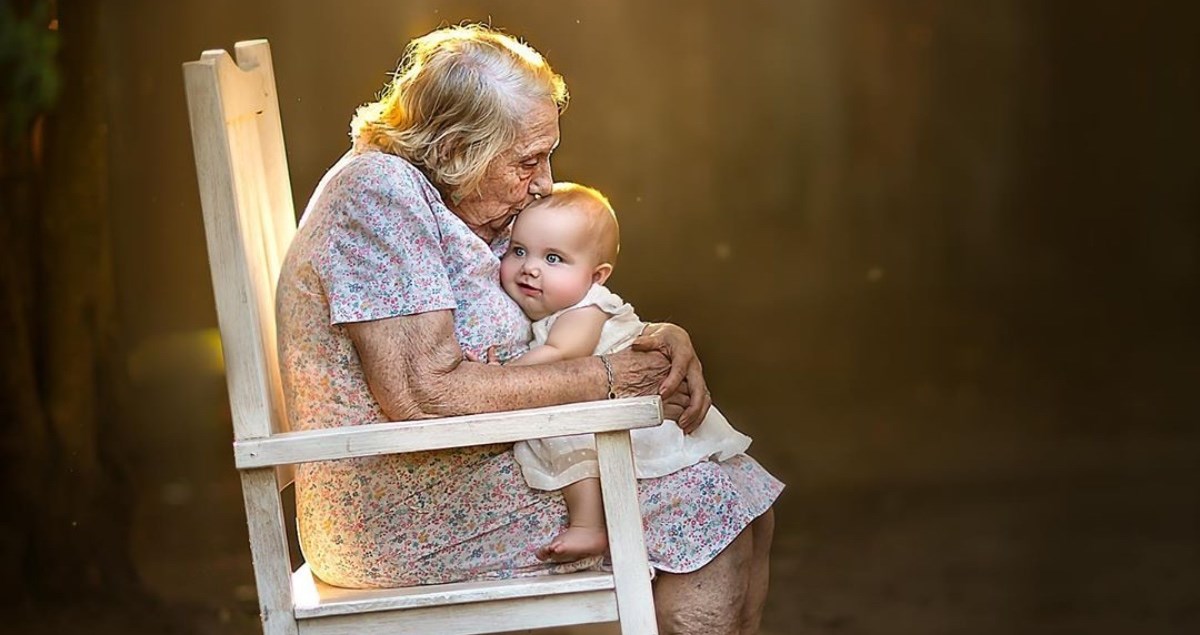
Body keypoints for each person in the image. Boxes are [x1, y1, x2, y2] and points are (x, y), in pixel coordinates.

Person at [275, 23, 783, 634]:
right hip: (404, 512)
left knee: (741, 492)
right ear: (459, 146)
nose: (544, 180)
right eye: (529, 160)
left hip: (475, 469)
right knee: (707, 507)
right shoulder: (378, 195)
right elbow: (420, 394)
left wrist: (652, 334)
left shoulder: (446, 193)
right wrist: (605, 379)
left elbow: (544, 308)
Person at [492, 182, 754, 563]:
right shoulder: (558, 305)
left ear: (596, 277)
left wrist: (499, 371)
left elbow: (564, 352)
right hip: (613, 405)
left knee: (566, 436)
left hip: (634, 417)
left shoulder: (587, 308)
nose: (530, 268)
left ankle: (588, 526)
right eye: (519, 251)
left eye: (553, 259)